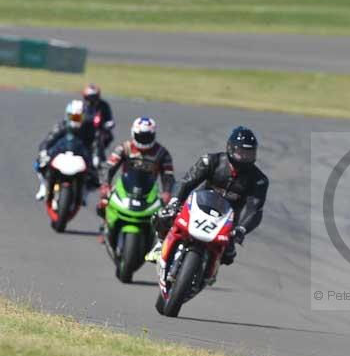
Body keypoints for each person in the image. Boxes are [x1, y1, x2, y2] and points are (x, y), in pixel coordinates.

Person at [146, 126, 268, 272]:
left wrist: (241, 229)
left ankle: (209, 270)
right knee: (163, 216)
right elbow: (186, 182)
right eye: (241, 153)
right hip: (199, 206)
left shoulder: (259, 179)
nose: (244, 157)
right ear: (230, 149)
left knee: (229, 255)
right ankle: (160, 245)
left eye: (249, 153)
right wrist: (174, 202)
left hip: (227, 220)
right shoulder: (211, 161)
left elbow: (255, 210)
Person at [96, 117, 175, 219]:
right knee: (103, 204)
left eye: (147, 137)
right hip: (124, 188)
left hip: (149, 191)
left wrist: (167, 193)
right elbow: (109, 167)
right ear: (134, 134)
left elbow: (168, 175)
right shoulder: (124, 147)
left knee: (165, 215)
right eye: (141, 136)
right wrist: (105, 185)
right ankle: (107, 229)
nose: (144, 140)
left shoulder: (162, 153)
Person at [34, 99, 103, 200]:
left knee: (96, 176)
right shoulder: (62, 125)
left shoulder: (89, 129)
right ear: (68, 115)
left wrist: (96, 157)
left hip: (81, 154)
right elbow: (49, 139)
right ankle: (44, 186)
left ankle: (84, 193)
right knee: (40, 163)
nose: (75, 120)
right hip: (60, 151)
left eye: (78, 117)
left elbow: (96, 144)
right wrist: (44, 150)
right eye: (73, 116)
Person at [82, 83, 115, 154]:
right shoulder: (81, 106)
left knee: (108, 136)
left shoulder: (104, 105)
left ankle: (101, 152)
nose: (92, 100)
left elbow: (109, 119)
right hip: (84, 129)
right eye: (90, 97)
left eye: (94, 97)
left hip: (99, 129)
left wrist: (108, 125)